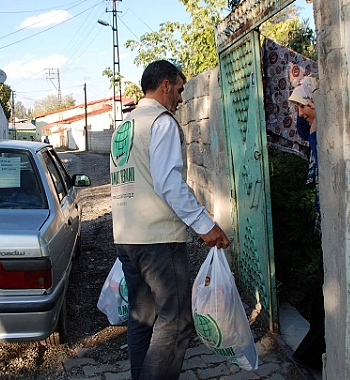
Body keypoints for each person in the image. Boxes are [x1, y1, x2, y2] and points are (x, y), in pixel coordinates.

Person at [109, 60, 230, 380]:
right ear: (165, 85)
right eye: (178, 89)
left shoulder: (127, 125)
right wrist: (205, 225)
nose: (180, 98)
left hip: (127, 238)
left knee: (142, 320)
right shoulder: (161, 122)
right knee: (176, 320)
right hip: (158, 240)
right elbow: (168, 183)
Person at [288, 76, 326, 369]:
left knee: (323, 279)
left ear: (313, 102)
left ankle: (314, 350)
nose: (299, 112)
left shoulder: (323, 128)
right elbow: (300, 125)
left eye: (302, 106)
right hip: (321, 204)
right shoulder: (311, 125)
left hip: (327, 203)